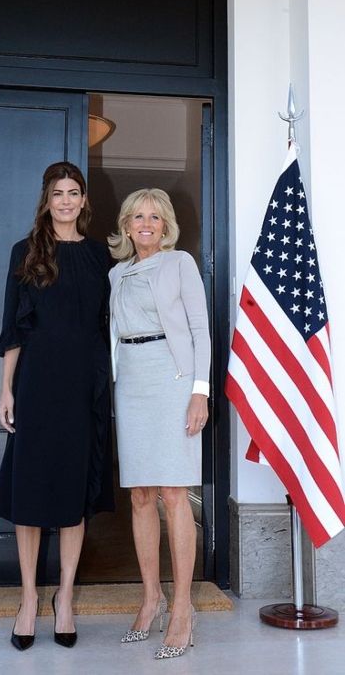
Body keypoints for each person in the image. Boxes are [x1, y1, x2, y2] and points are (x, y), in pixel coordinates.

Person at [0, 161, 114, 651]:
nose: (65, 200)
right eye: (58, 192)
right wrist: (6, 389)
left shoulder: (101, 256)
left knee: (71, 496)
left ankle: (64, 597)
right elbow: (13, 327)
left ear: (84, 201)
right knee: (30, 495)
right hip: (37, 384)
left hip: (84, 387)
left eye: (74, 192)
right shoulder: (26, 252)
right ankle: (27, 600)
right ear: (47, 199)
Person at [108, 188, 210, 660]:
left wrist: (199, 391)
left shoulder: (180, 264)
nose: (146, 224)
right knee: (141, 494)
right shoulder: (116, 273)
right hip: (131, 383)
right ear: (126, 225)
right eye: (137, 216)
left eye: (155, 217)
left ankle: (183, 608)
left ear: (165, 225)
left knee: (173, 493)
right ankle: (152, 598)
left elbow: (199, 330)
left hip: (173, 382)